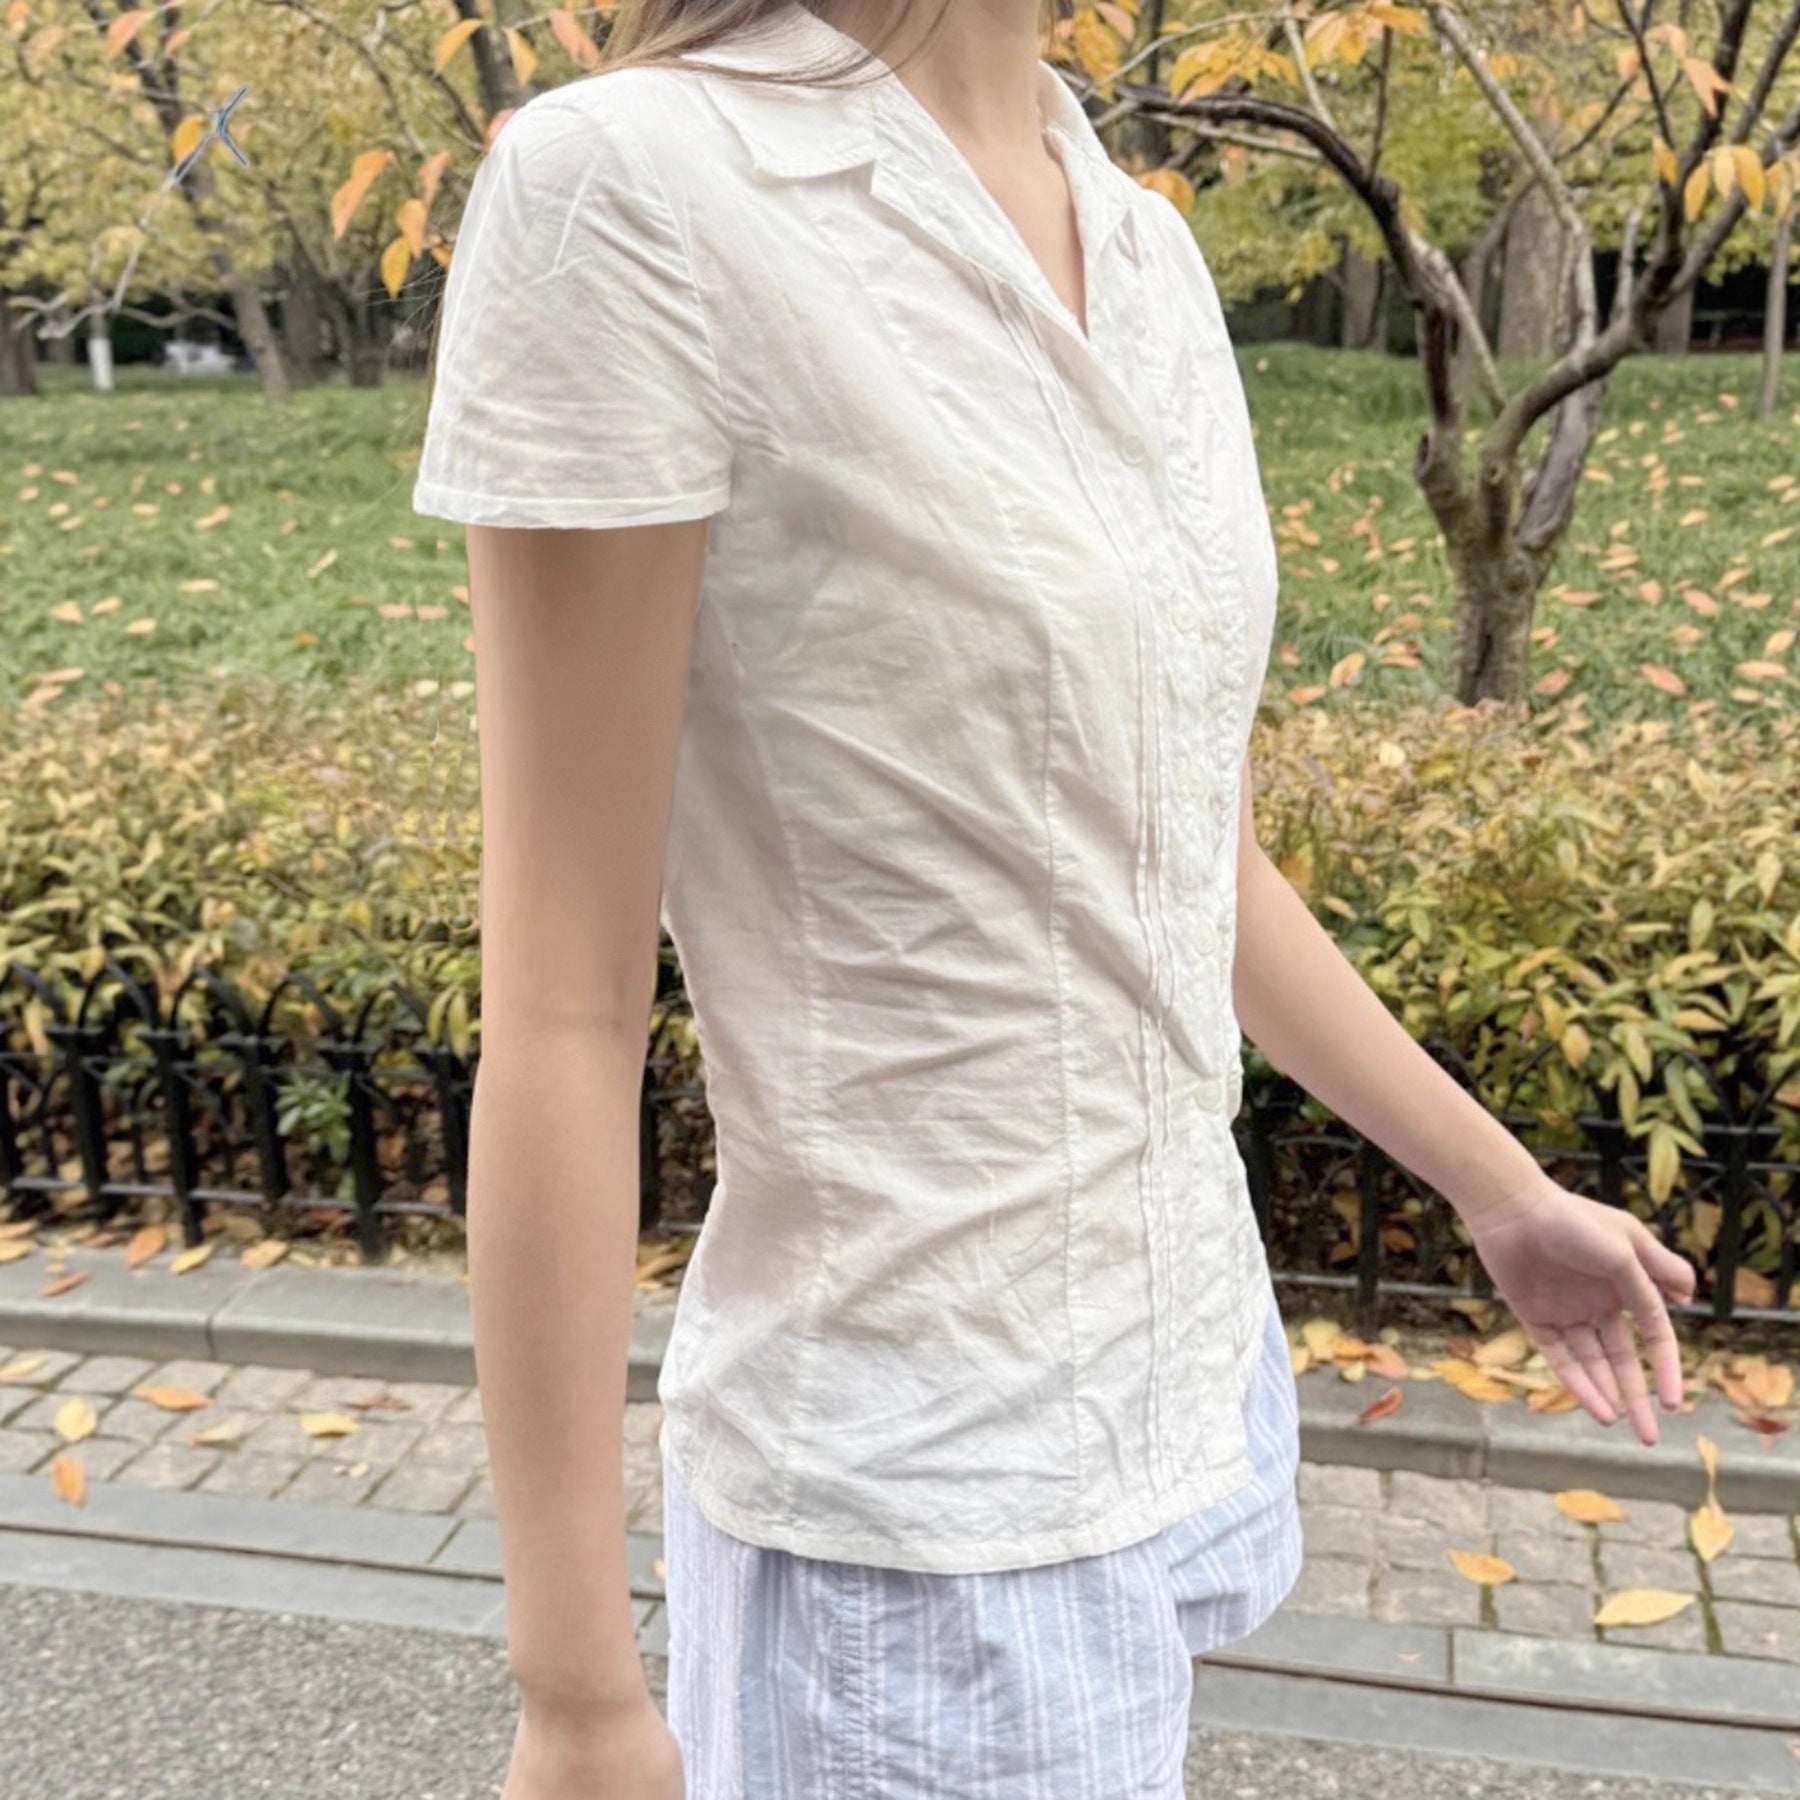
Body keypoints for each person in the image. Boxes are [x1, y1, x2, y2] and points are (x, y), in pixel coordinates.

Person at [409, 1, 1701, 1793]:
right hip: (916, 1523)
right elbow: (564, 1007)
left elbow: (1186, 862)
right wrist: (576, 1697)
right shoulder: (633, 187)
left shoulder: (1144, 244)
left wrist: (1500, 1190)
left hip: (1183, 1394)